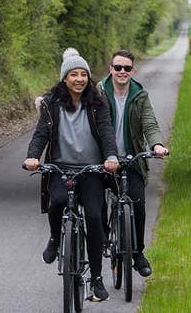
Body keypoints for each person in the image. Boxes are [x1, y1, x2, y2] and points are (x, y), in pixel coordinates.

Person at [24, 48, 119, 302]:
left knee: (95, 216)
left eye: (83, 75)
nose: (79, 79)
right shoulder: (51, 104)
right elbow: (41, 134)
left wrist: (111, 157)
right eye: (73, 74)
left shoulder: (98, 103)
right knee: (56, 202)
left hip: (91, 170)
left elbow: (107, 131)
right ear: (64, 78)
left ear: (88, 78)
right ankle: (56, 238)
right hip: (60, 167)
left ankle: (97, 277)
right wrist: (32, 156)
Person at [97, 49, 169, 278]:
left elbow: (149, 122)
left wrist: (157, 144)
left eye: (126, 68)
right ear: (111, 69)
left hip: (131, 159)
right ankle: (105, 236)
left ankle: (138, 254)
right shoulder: (99, 92)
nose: (122, 72)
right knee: (95, 200)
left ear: (133, 71)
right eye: (117, 67)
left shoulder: (140, 94)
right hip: (103, 159)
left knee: (137, 204)